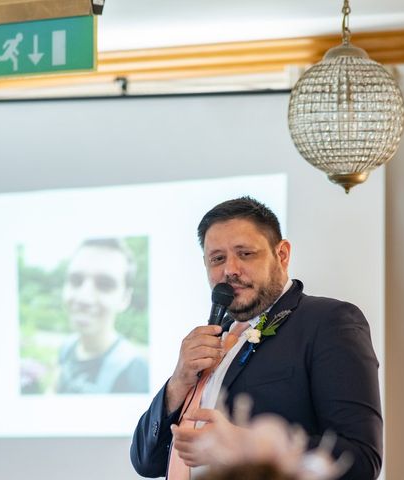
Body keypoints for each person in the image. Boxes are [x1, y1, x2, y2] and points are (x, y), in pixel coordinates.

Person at [130, 197, 382, 479]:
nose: (230, 270)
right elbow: (146, 462)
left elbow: (360, 459)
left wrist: (250, 445)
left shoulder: (329, 321)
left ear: (282, 254)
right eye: (217, 259)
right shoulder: (211, 338)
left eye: (245, 253)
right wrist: (178, 381)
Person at [56, 238, 148, 394]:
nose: (84, 297)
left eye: (105, 284)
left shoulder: (134, 370)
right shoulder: (66, 348)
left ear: (125, 298)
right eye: (76, 280)